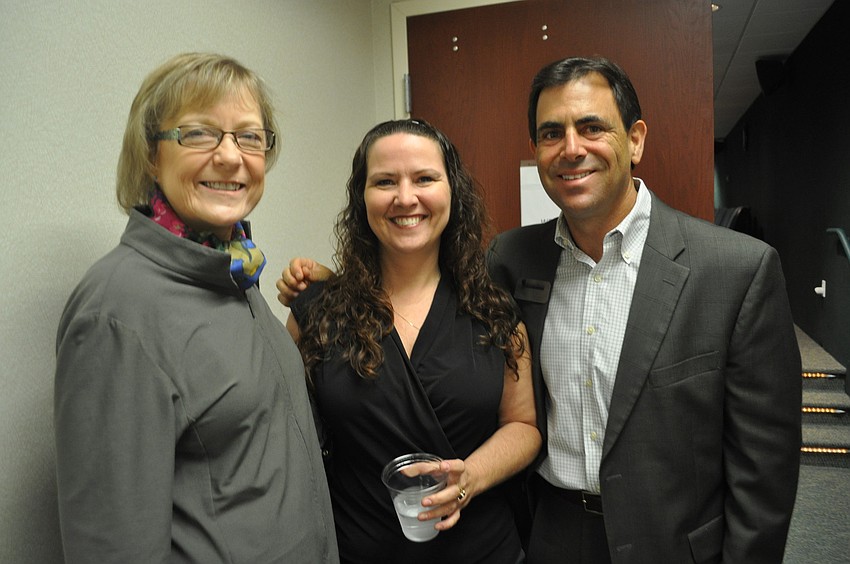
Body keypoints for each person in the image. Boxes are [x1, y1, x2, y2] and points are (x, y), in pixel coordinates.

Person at [279, 57, 803, 564]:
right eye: (552, 134)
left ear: (636, 139)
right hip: (547, 533)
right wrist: (328, 287)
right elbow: (404, 276)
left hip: (669, 539)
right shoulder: (511, 259)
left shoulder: (737, 270)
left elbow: (766, 467)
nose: (571, 148)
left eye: (592, 127)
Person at [54, 52, 338, 564]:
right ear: (149, 155)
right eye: (199, 133)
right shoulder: (116, 313)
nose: (231, 157)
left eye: (249, 136)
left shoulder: (229, 268)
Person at [281, 119, 540, 564]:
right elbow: (287, 440)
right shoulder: (318, 313)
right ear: (362, 198)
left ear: (452, 191)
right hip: (357, 550)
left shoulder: (494, 310)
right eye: (385, 181)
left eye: (424, 178)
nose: (405, 197)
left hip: (482, 551)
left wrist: (470, 477)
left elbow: (524, 427)